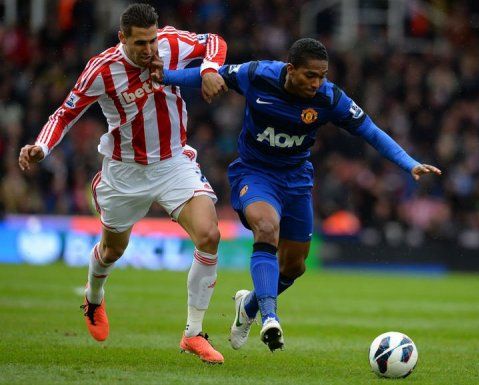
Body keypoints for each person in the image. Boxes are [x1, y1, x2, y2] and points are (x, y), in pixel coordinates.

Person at [151, 38, 442, 352]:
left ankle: (247, 307)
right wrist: (164, 76)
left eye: (322, 76)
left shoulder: (330, 98)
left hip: (296, 180)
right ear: (290, 70)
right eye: (310, 76)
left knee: (294, 266)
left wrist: (408, 163)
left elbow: (369, 130)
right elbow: (209, 76)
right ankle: (269, 317)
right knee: (266, 228)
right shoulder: (258, 75)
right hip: (255, 172)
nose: (317, 83)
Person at [18, 3, 228, 364]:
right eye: (139, 44)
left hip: (174, 162)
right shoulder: (101, 69)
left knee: (210, 234)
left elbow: (215, 41)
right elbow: (65, 112)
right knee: (113, 250)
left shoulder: (171, 43)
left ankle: (193, 334)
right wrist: (41, 146)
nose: (149, 50)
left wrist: (208, 68)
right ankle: (94, 296)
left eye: (152, 41)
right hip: (125, 171)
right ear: (122, 39)